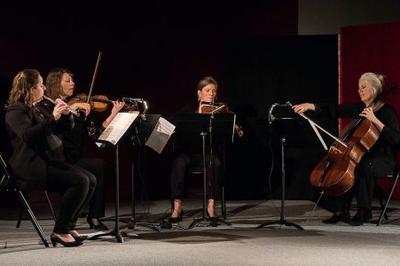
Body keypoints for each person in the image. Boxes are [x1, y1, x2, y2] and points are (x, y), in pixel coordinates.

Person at [292, 72, 400, 225]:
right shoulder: (360, 108)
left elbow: (396, 139)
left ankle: (364, 211)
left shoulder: (388, 112)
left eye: (363, 87)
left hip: (383, 159)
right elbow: (334, 110)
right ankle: (341, 210)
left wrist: (375, 120)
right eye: (358, 88)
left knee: (363, 165)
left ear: (374, 90)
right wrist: (312, 106)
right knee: (341, 166)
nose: (359, 90)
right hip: (360, 155)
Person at [5, 69, 96, 247]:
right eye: (40, 85)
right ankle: (60, 230)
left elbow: (62, 128)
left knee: (90, 179)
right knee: (80, 181)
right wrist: (53, 118)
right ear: (30, 89)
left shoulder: (38, 107)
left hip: (46, 161)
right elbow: (28, 135)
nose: (44, 88)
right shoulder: (15, 110)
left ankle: (68, 226)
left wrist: (67, 114)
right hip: (30, 166)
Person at [45, 67, 124, 230]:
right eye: (67, 81)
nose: (72, 83)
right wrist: (68, 109)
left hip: (75, 157)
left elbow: (96, 133)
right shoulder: (49, 106)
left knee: (99, 165)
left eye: (72, 80)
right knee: (94, 167)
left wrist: (113, 113)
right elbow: (51, 129)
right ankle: (72, 217)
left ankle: (94, 216)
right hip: (59, 158)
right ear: (55, 84)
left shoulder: (78, 108)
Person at [166, 76, 235, 227]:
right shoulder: (188, 109)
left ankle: (211, 206)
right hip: (188, 152)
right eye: (207, 90)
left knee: (215, 163)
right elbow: (171, 123)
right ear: (199, 93)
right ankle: (177, 207)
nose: (211, 94)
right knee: (178, 163)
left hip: (208, 152)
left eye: (214, 91)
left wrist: (235, 127)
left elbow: (231, 126)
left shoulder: (220, 109)